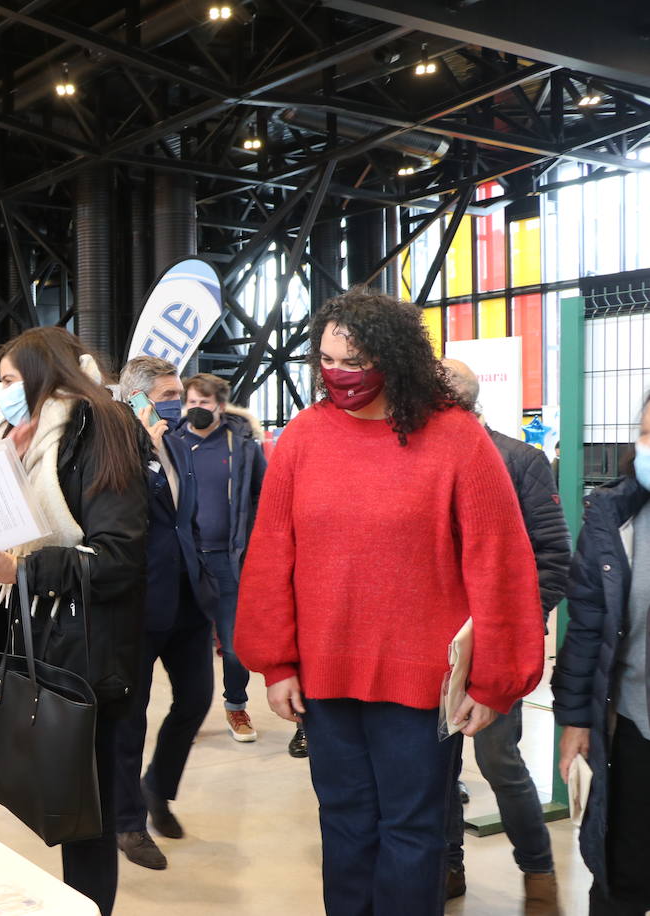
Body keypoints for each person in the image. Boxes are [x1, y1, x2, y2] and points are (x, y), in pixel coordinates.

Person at [234, 287, 546, 916]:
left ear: (396, 357)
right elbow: (271, 554)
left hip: (420, 687)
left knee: (414, 833)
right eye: (326, 359)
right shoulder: (303, 437)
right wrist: (277, 664)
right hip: (326, 682)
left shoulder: (455, 438)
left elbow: (501, 561)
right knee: (344, 825)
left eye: (354, 362)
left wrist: (496, 679)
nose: (338, 375)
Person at [0, 327, 146, 916]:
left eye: (11, 380)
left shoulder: (101, 427)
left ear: (44, 376)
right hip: (39, 635)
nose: (3, 391)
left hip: (90, 652)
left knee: (85, 816)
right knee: (59, 803)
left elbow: (120, 558)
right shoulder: (18, 438)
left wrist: (23, 570)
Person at [441, 359, 570, 909]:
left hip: (493, 646)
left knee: (499, 761)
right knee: (435, 766)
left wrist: (512, 625)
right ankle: (448, 867)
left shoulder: (520, 460)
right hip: (432, 647)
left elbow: (553, 560)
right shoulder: (421, 460)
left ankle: (537, 869)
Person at [112, 356, 217, 871]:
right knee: (129, 719)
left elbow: (189, 519)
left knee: (197, 697)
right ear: (134, 399)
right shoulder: (115, 453)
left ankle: (158, 786)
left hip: (188, 601)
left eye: (180, 393)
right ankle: (127, 823)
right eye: (168, 394)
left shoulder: (179, 446)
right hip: (136, 604)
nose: (178, 403)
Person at [553, 390, 650, 916]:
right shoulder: (616, 518)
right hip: (636, 730)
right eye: (649, 433)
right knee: (622, 875)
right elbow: (587, 624)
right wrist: (575, 718)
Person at [180, 373, 267, 746]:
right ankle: (189, 712)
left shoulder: (243, 446)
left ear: (220, 405)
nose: (197, 409)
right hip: (186, 562)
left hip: (229, 562)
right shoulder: (170, 443)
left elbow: (264, 498)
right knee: (188, 645)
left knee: (233, 646)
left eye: (205, 403)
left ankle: (236, 705)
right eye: (192, 403)